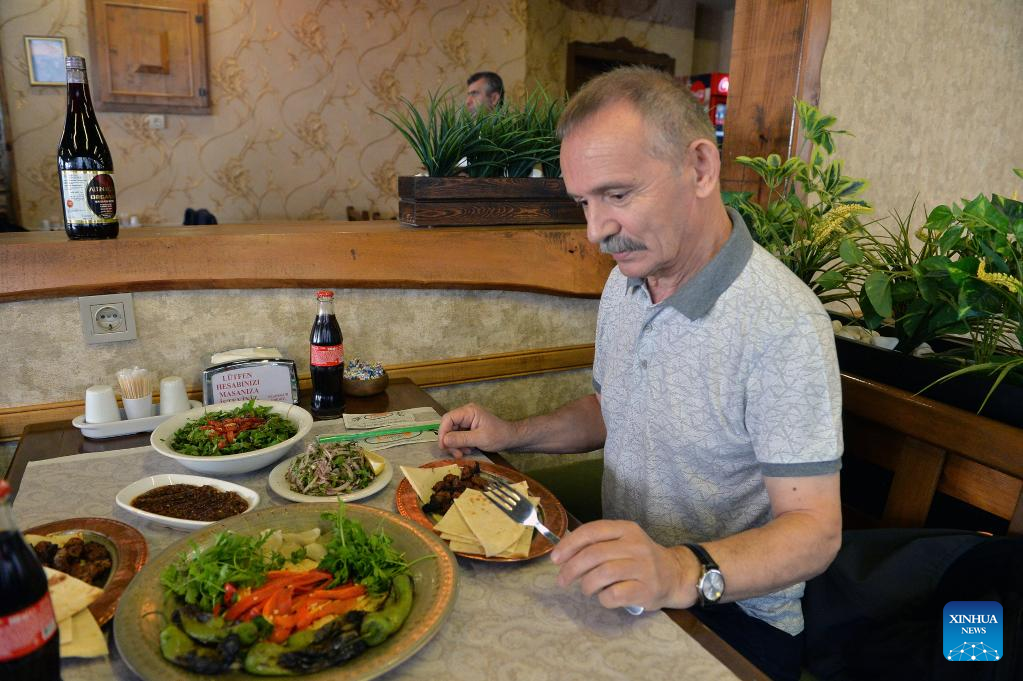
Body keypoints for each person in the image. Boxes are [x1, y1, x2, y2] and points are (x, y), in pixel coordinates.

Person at [438, 66, 843, 681]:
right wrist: (511, 434)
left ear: (700, 168)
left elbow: (815, 531)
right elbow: (613, 409)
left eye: (618, 195)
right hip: (625, 586)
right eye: (584, 202)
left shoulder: (782, 322)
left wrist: (678, 569)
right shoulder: (627, 282)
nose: (596, 230)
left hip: (735, 620)